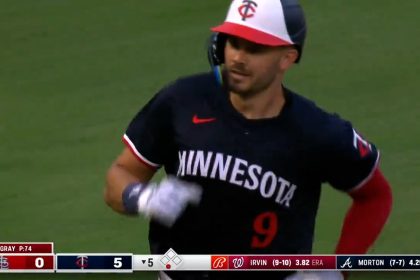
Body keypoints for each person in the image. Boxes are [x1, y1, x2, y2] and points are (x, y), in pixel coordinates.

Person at [104, 0, 393, 279]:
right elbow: (121, 174)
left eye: (254, 48)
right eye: (233, 43)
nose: (237, 58)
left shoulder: (316, 131)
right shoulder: (182, 101)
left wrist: (337, 269)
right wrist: (140, 197)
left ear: (287, 57)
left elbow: (376, 196)